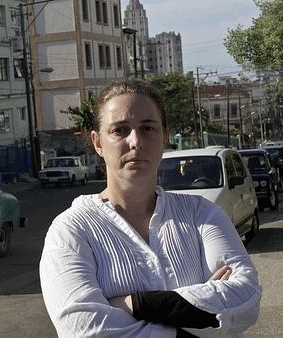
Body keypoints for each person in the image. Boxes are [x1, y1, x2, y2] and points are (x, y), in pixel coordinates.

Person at [39, 80, 261, 337]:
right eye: (120, 130)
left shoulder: (202, 214)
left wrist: (136, 304)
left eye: (147, 128)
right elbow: (83, 329)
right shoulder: (71, 231)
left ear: (164, 136)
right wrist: (194, 324)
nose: (136, 141)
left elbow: (247, 296)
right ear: (98, 142)